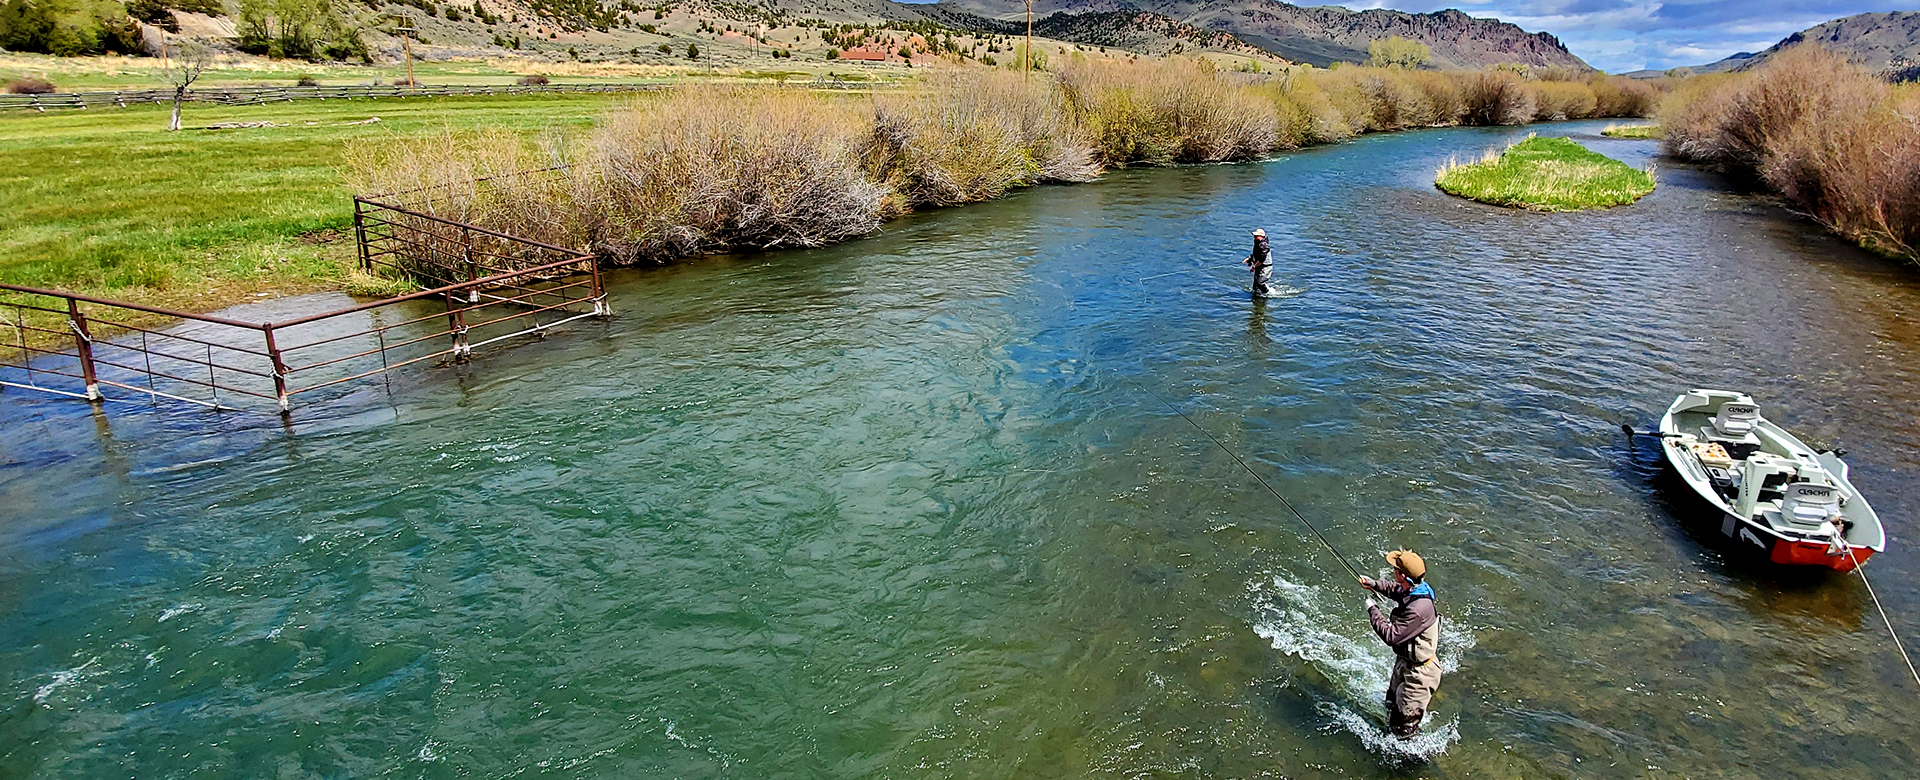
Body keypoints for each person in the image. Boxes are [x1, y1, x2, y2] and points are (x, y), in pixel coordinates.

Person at [1357, 549, 1441, 737]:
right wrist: (1374, 584)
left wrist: (1373, 610)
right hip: (1405, 662)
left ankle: (1409, 753)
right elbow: (1396, 590)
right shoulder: (1416, 588)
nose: (1393, 570)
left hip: (1419, 674)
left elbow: (1391, 636)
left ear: (1402, 575)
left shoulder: (1418, 609)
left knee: (1404, 728)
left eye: (1395, 568)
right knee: (1390, 705)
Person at [1243, 228, 1273, 297]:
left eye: (1256, 236)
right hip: (1259, 266)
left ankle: (1268, 294)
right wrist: (1249, 259)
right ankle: (1256, 300)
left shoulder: (1263, 245)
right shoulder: (1257, 242)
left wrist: (1254, 267)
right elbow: (1256, 254)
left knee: (1260, 283)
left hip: (1265, 267)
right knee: (1255, 287)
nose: (1254, 237)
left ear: (1261, 236)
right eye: (1254, 236)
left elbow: (1262, 259)